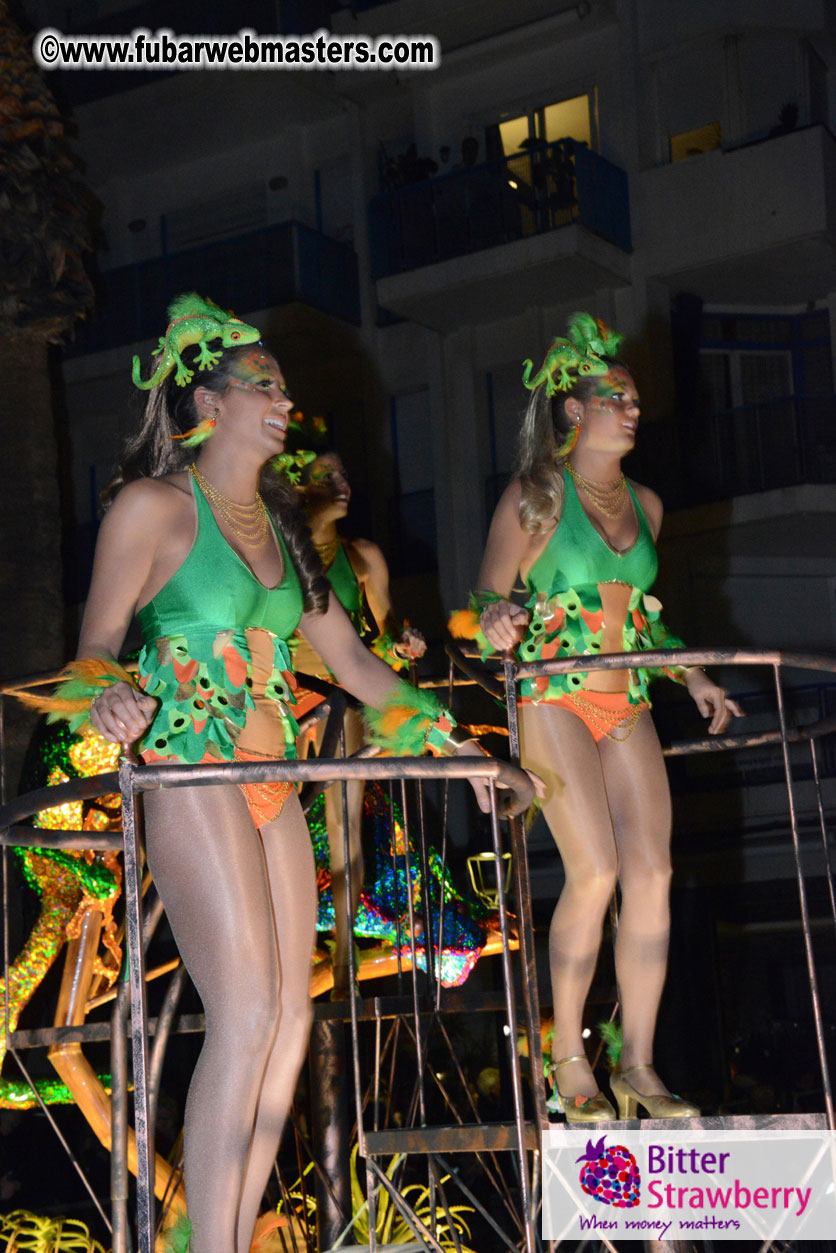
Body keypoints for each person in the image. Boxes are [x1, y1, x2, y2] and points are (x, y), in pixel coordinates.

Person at [38, 293, 502, 1253]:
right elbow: (92, 646)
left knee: (291, 1016)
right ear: (206, 401)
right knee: (244, 1010)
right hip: (190, 770)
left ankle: (227, 1233)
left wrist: (460, 752)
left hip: (273, 776)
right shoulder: (154, 506)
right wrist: (111, 698)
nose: (285, 398)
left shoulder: (284, 528)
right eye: (265, 384)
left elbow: (362, 668)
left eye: (283, 385)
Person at [456, 312, 742, 1123]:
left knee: (654, 872)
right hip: (553, 695)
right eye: (615, 395)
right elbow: (482, 601)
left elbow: (649, 621)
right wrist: (497, 622)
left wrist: (697, 677)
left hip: (628, 696)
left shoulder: (646, 505)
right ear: (574, 412)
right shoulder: (534, 496)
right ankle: (569, 1057)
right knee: (598, 870)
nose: (632, 407)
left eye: (635, 397)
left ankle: (639, 1061)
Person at [292, 442, 426, 997]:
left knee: (344, 831)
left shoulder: (363, 556)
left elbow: (387, 627)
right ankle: (297, 949)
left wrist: (407, 640)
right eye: (327, 474)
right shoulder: (273, 553)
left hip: (341, 702)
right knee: (284, 834)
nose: (342, 481)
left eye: (344, 470)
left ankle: (344, 954)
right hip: (280, 701)